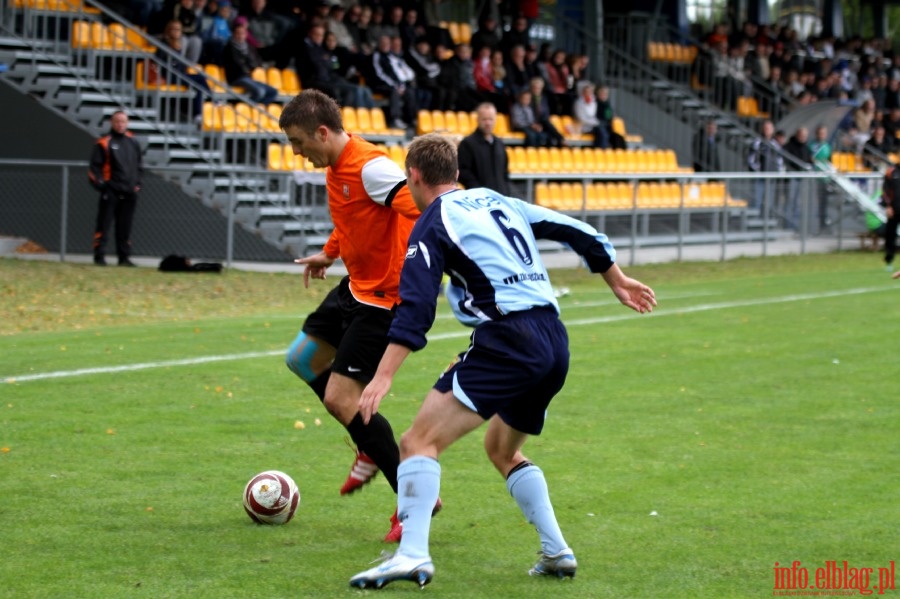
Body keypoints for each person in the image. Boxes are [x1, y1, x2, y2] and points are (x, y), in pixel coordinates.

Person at [348, 133, 657, 590]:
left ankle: (411, 555)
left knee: (416, 443)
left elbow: (415, 310)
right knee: (502, 449)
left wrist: (383, 376)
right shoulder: (497, 200)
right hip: (554, 340)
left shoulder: (431, 223)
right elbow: (581, 232)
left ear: (413, 176)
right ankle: (556, 551)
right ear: (455, 173)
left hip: (509, 340)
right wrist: (616, 279)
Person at [277, 90, 433, 542]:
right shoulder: (336, 165)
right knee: (303, 358)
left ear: (322, 132)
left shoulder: (373, 168)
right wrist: (327, 254)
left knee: (343, 401)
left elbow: (425, 206)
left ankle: (413, 502)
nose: (296, 152)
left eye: (298, 141)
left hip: (386, 298)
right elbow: (352, 219)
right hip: (356, 287)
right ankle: (369, 441)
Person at [88, 110, 143, 267]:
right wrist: (103, 186)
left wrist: (137, 184)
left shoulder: (133, 142)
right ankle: (99, 256)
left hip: (129, 192)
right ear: (112, 123)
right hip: (111, 191)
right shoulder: (104, 143)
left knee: (125, 226)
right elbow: (94, 169)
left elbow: (139, 166)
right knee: (104, 224)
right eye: (117, 121)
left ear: (127, 123)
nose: (120, 124)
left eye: (123, 121)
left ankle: (124, 257)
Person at [457, 102, 510, 195]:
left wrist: (506, 191)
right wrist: (479, 191)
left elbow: (505, 173)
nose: (488, 123)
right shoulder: (467, 143)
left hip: (501, 198)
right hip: (479, 200)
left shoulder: (499, 143)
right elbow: (463, 172)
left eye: (491, 119)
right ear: (477, 119)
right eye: (484, 119)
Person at [221, 20, 279, 104]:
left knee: (273, 92)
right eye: (238, 33)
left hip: (248, 77)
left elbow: (255, 62)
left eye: (243, 33)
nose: (240, 36)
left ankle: (257, 109)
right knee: (260, 91)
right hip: (236, 78)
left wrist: (250, 66)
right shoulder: (229, 47)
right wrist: (247, 67)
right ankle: (245, 109)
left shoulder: (248, 47)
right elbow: (237, 64)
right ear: (233, 34)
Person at [747, 119, 783, 212]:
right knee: (757, 198)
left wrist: (779, 171)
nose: (767, 130)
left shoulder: (775, 144)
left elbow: (779, 159)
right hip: (760, 176)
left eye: (769, 128)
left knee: (769, 200)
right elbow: (751, 159)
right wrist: (757, 170)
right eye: (765, 128)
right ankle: (755, 218)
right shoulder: (758, 142)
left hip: (771, 176)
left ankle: (767, 220)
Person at [808, 125, 833, 230]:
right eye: (820, 133)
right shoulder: (811, 145)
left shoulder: (827, 146)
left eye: (824, 133)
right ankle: (811, 225)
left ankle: (823, 224)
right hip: (814, 177)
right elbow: (810, 158)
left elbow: (829, 160)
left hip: (825, 178)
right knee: (814, 202)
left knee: (824, 202)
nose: (822, 135)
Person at [881, 161, 900, 272]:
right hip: (894, 209)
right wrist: (888, 206)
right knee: (890, 236)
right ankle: (889, 261)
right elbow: (885, 190)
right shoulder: (891, 172)